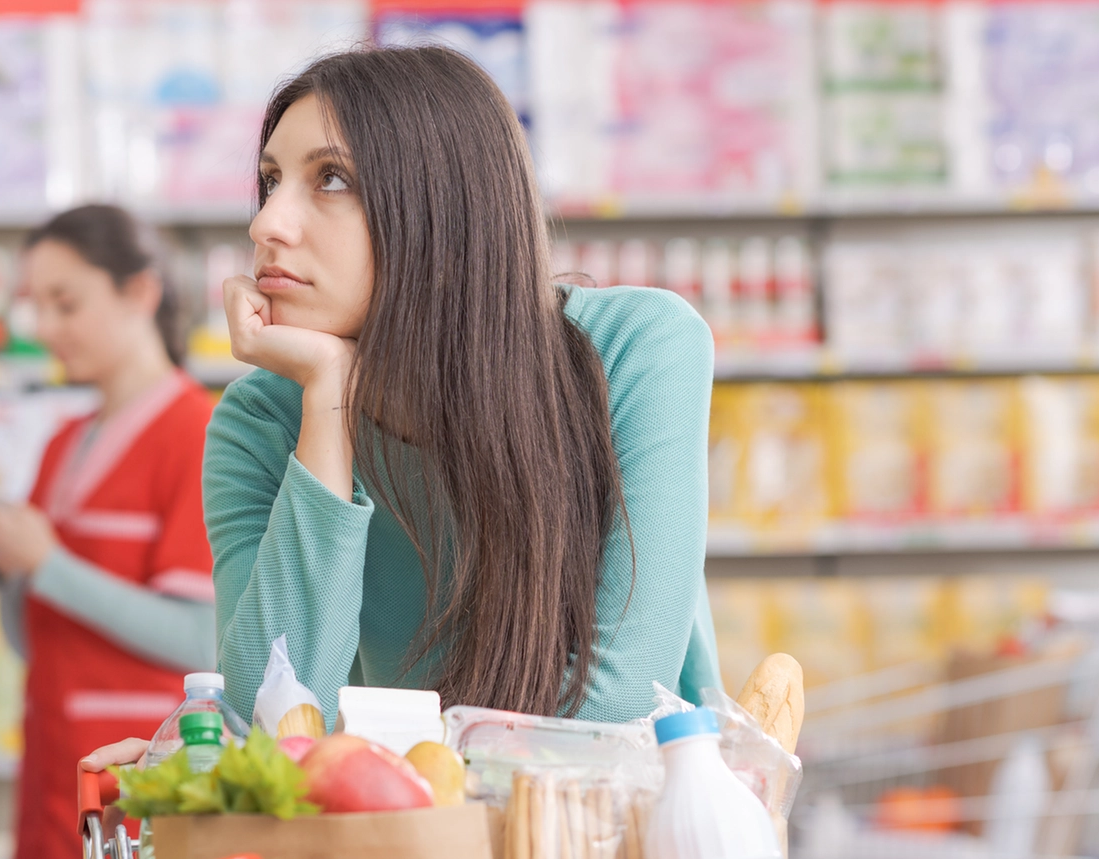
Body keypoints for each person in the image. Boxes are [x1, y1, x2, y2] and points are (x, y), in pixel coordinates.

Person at [84, 45, 718, 771]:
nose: (267, 226)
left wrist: (353, 761)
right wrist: (329, 397)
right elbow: (268, 728)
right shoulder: (260, 419)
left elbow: (616, 712)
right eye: (269, 181)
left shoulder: (636, 348)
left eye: (329, 179)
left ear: (443, 206)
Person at [0, 205, 217, 859]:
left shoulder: (199, 435)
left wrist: (49, 565)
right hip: (49, 766)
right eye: (36, 307)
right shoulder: (63, 442)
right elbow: (31, 635)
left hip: (136, 780)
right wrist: (7, 564)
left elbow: (201, 639)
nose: (45, 329)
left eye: (66, 304)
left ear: (141, 294)